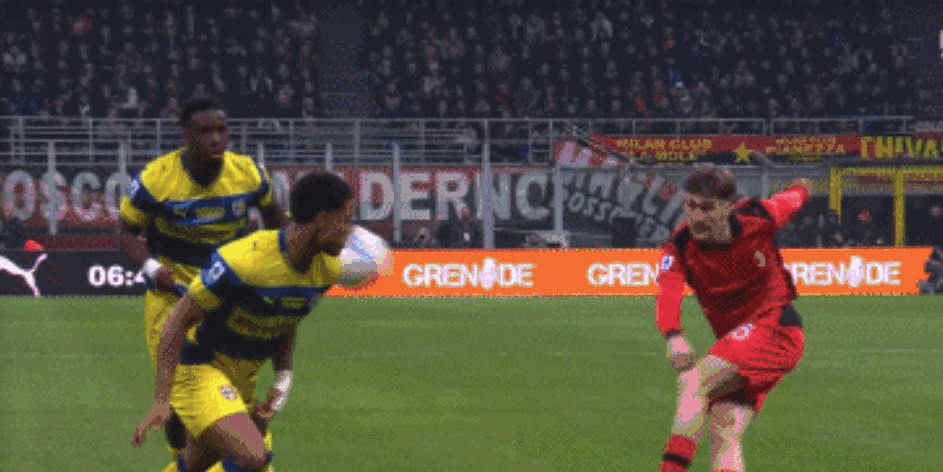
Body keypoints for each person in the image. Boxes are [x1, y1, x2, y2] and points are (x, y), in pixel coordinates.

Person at [131, 172, 355, 472]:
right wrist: (161, 400)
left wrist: (283, 375)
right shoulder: (243, 261)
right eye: (346, 219)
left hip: (243, 377)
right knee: (253, 457)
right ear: (323, 219)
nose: (350, 231)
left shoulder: (327, 270)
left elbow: (288, 318)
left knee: (199, 463)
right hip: (199, 367)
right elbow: (176, 320)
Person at [118, 95, 286, 467]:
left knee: (228, 391)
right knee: (180, 402)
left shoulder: (249, 174)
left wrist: (269, 265)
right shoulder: (156, 179)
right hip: (172, 301)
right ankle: (182, 455)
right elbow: (127, 231)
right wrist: (151, 268)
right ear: (186, 134)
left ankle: (208, 456)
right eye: (205, 131)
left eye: (222, 130)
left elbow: (278, 224)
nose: (215, 139)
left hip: (226, 302)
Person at [653, 164, 812, 472]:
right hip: (744, 346)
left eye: (707, 208)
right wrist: (673, 335)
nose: (696, 216)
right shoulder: (680, 245)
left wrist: (804, 185)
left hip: (777, 328)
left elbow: (794, 197)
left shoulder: (760, 217)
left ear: (728, 206)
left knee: (693, 382)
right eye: (690, 205)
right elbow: (668, 292)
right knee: (724, 429)